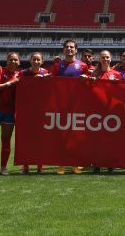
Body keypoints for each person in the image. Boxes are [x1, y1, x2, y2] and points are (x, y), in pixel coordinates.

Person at [53, 39, 88, 174]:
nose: (69, 49)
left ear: (76, 50)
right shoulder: (58, 65)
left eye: (72, 47)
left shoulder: (83, 66)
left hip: (77, 104)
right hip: (61, 104)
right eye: (67, 47)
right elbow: (52, 83)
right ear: (63, 49)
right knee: (61, 134)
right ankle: (61, 164)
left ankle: (75, 163)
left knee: (76, 135)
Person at [18, 52, 48, 174]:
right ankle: (26, 166)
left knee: (40, 139)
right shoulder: (23, 73)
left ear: (42, 61)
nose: (36, 61)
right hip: (26, 110)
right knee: (26, 139)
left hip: (41, 110)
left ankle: (40, 166)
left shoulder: (45, 73)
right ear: (30, 60)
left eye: (38, 60)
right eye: (34, 59)